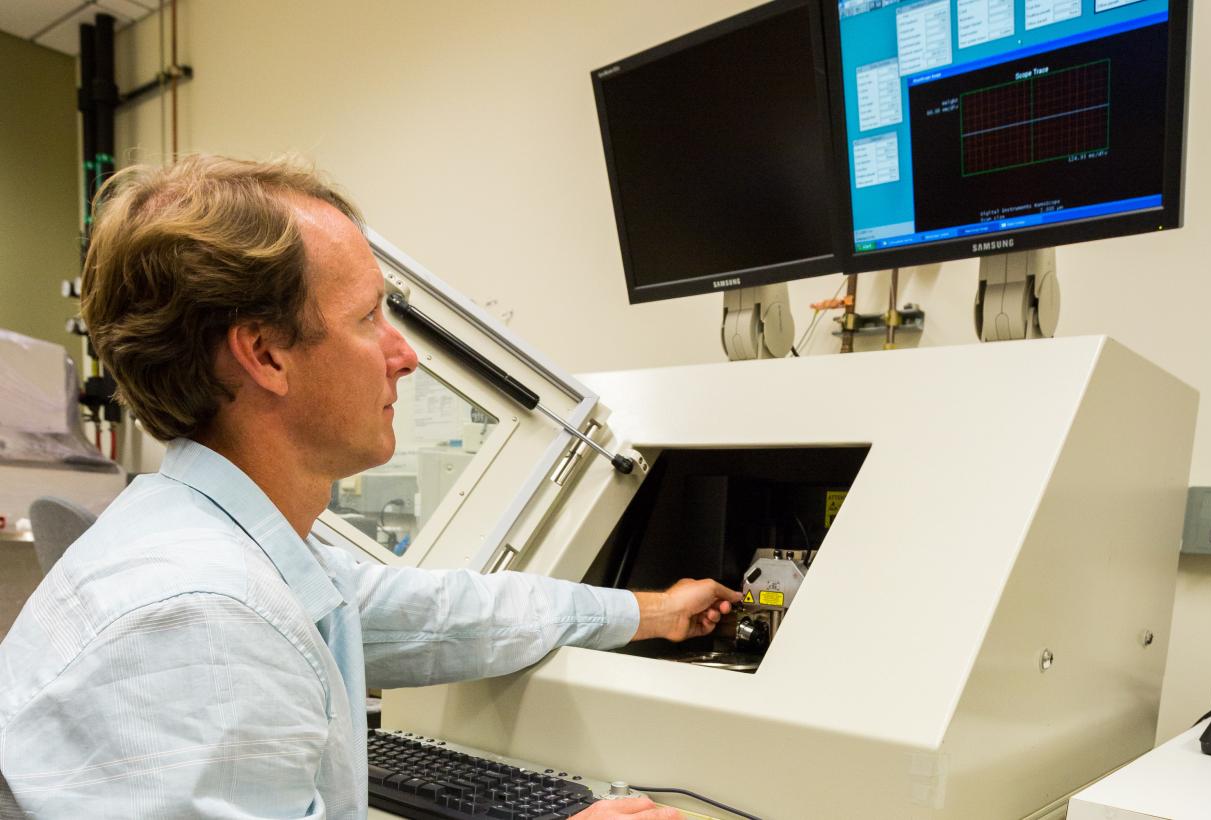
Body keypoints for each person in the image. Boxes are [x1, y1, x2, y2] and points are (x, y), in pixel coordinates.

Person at [0, 155, 741, 819]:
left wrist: (650, 611)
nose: (405, 355)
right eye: (367, 317)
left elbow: (441, 615)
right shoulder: (205, 622)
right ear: (264, 354)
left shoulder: (227, 542)